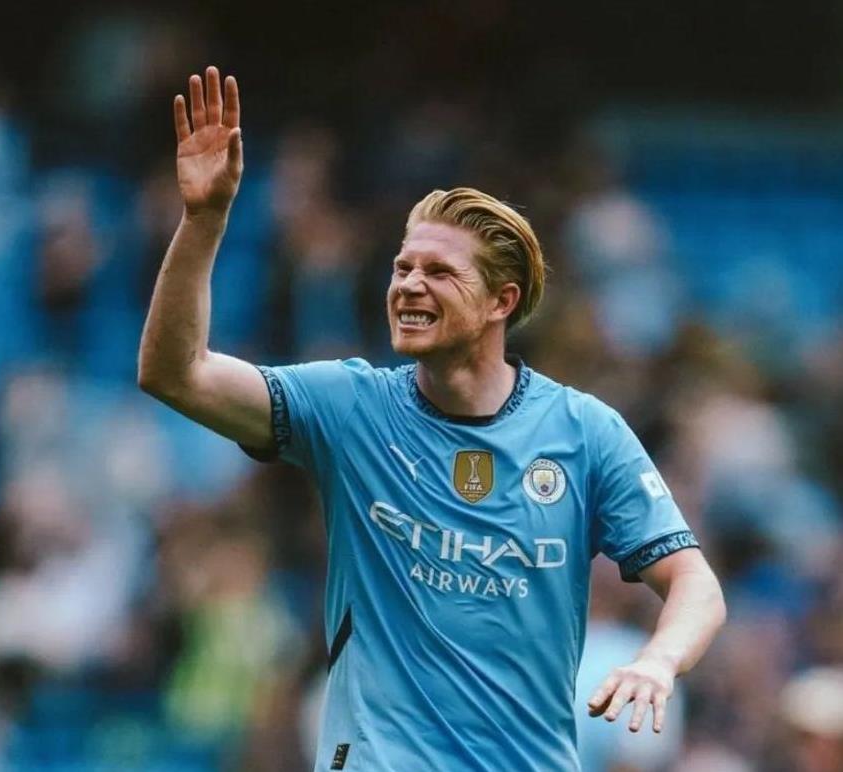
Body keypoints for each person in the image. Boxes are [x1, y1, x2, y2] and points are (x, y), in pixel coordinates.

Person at [138, 66, 727, 772]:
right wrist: (204, 221)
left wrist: (659, 660)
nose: (409, 285)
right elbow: (177, 374)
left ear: (501, 302)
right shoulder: (349, 407)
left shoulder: (584, 432)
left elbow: (694, 585)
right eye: (402, 267)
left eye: (439, 272)